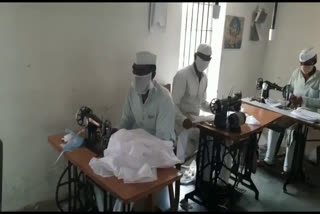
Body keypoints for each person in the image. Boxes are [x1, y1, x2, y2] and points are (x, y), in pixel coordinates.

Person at [94, 51, 176, 211]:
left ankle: (124, 205)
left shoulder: (164, 99)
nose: (138, 78)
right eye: (136, 73)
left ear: (153, 74)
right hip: (139, 145)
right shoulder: (132, 92)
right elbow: (127, 120)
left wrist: (136, 146)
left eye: (142, 74)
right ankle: (109, 204)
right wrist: (116, 133)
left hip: (160, 150)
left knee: (129, 182)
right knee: (107, 170)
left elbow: (162, 140)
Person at [263, 47, 320, 173]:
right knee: (275, 124)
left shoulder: (319, 78)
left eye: (307, 64)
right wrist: (290, 96)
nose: (304, 67)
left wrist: (303, 100)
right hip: (294, 111)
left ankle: (288, 168)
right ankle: (269, 159)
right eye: (302, 64)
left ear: (314, 61)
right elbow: (288, 89)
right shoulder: (296, 73)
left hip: (310, 116)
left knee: (292, 132)